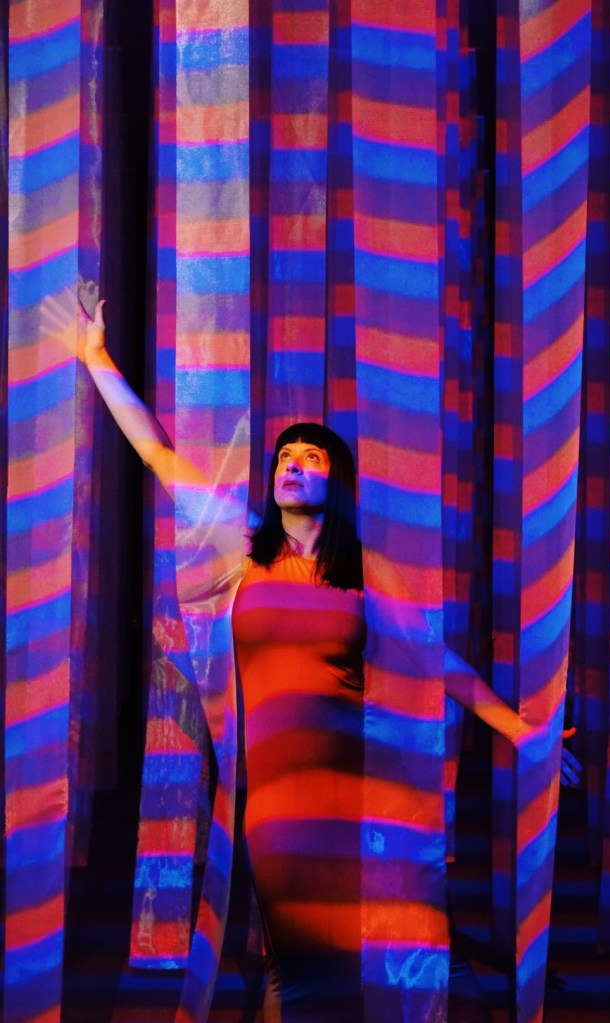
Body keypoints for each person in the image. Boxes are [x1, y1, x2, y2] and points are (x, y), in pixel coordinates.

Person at [49, 297, 579, 1021]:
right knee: (288, 965)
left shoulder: (365, 569)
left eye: (311, 457)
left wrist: (519, 730)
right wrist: (97, 359)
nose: (292, 465)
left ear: (337, 481)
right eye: (284, 458)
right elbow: (160, 455)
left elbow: (437, 661)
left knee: (374, 958)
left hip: (357, 794)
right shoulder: (247, 551)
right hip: (276, 803)